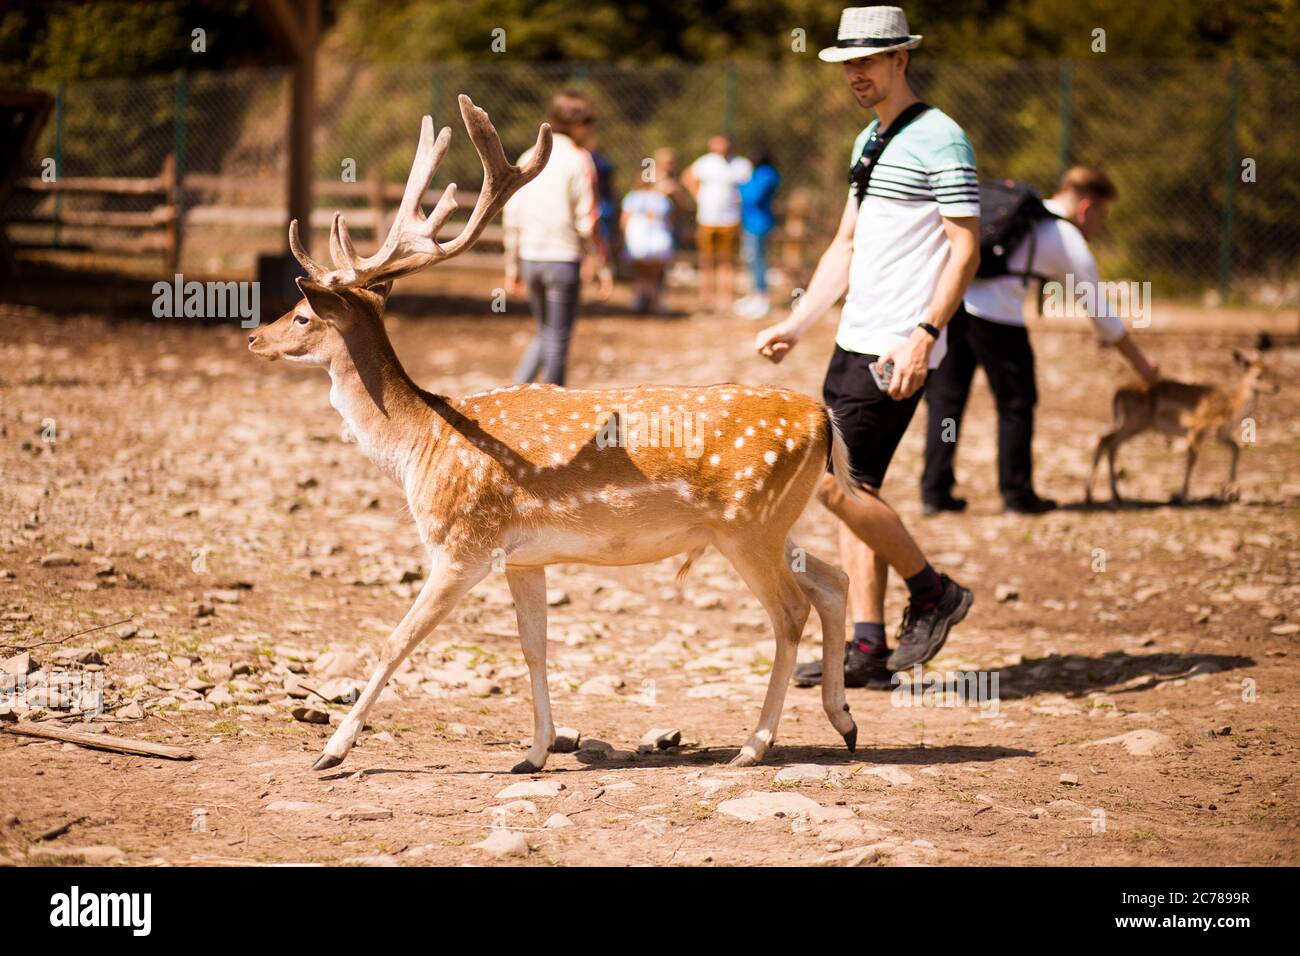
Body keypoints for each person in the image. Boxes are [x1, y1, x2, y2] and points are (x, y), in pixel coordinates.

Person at [755, 6, 979, 689]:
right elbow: (845, 245)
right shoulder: (869, 141)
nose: (856, 73)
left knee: (830, 484)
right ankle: (868, 646)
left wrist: (924, 333)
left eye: (868, 61)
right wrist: (799, 323)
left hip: (897, 344)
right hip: (855, 338)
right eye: (847, 63)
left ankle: (935, 591)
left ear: (901, 59)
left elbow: (965, 248)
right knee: (861, 489)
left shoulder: (942, 138)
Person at [920, 165, 1161, 515]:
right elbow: (1101, 315)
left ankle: (934, 492)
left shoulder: (1017, 213)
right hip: (999, 321)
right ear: (1086, 207)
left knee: (946, 402)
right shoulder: (1064, 237)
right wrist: (1142, 365)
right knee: (1016, 404)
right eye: (1101, 215)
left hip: (952, 307)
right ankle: (1017, 495)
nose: (1099, 224)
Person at [503, 90, 612, 386]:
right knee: (558, 337)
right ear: (574, 123)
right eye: (588, 121)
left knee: (546, 331)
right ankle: (553, 403)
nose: (592, 127)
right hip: (562, 260)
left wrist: (512, 267)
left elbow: (512, 215)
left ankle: (513, 392)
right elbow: (587, 221)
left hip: (529, 257)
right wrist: (602, 266)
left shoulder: (529, 155)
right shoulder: (580, 159)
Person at [683, 135, 752, 314]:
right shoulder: (705, 163)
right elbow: (688, 177)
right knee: (706, 259)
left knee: (727, 260)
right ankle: (706, 297)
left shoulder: (741, 164)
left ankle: (725, 298)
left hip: (730, 219)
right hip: (707, 219)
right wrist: (698, 196)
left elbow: (749, 187)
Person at [736, 148, 781, 320]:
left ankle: (762, 298)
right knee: (750, 260)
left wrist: (741, 183)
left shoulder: (767, 174)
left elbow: (753, 196)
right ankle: (753, 294)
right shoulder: (758, 173)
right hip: (750, 223)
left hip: (759, 224)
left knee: (758, 261)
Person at [621, 173, 674, 313]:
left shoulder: (632, 198)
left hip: (638, 241)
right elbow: (669, 221)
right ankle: (654, 303)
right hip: (658, 241)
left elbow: (624, 220)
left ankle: (642, 301)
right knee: (655, 276)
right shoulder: (661, 199)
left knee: (641, 274)